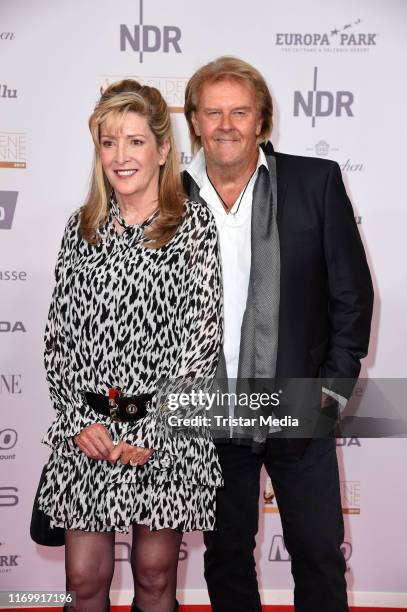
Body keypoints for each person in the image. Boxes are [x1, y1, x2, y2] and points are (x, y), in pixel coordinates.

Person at [182, 57, 374, 612]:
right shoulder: (170, 195)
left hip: (298, 402)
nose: (225, 124)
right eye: (212, 112)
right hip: (208, 406)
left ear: (261, 121)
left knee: (317, 554)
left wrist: (332, 390)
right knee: (225, 557)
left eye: (239, 111)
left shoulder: (315, 182)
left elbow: (351, 294)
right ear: (194, 121)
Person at [38, 79, 223, 612]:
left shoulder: (192, 226)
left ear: (163, 150)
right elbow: (59, 338)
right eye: (109, 142)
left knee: (156, 575)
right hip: (89, 432)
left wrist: (152, 428)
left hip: (162, 432)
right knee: (85, 580)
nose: (121, 157)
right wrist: (77, 418)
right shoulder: (83, 227)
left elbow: (200, 340)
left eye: (136, 141)